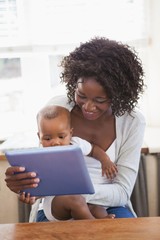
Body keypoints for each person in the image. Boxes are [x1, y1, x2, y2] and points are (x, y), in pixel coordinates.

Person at [5, 36, 146, 221]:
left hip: (108, 204)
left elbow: (121, 192)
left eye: (100, 100)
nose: (87, 107)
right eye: (81, 95)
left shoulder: (133, 122)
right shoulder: (58, 109)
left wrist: (77, 195)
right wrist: (26, 184)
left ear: (117, 95)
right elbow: (46, 168)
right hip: (59, 205)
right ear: (73, 82)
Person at [19, 104, 116, 220]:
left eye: (61, 136)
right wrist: (32, 197)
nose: (55, 142)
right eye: (48, 138)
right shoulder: (40, 158)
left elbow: (93, 149)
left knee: (98, 208)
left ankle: (102, 224)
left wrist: (105, 160)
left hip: (83, 200)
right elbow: (40, 187)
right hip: (56, 205)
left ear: (70, 133)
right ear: (39, 136)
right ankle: (94, 226)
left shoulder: (76, 144)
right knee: (76, 200)